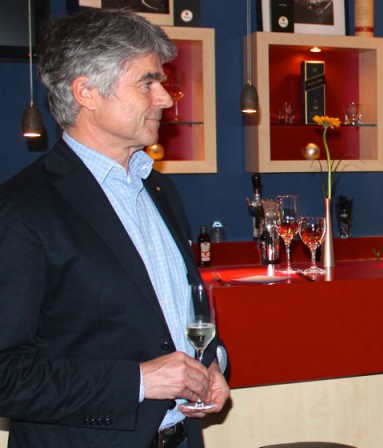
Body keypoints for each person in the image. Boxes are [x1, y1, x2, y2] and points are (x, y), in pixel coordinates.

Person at [0, 9, 229, 448]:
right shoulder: (22, 208)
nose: (165, 99)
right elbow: (7, 375)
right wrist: (139, 382)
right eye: (147, 83)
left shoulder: (159, 190)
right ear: (86, 92)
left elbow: (174, 319)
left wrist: (212, 363)